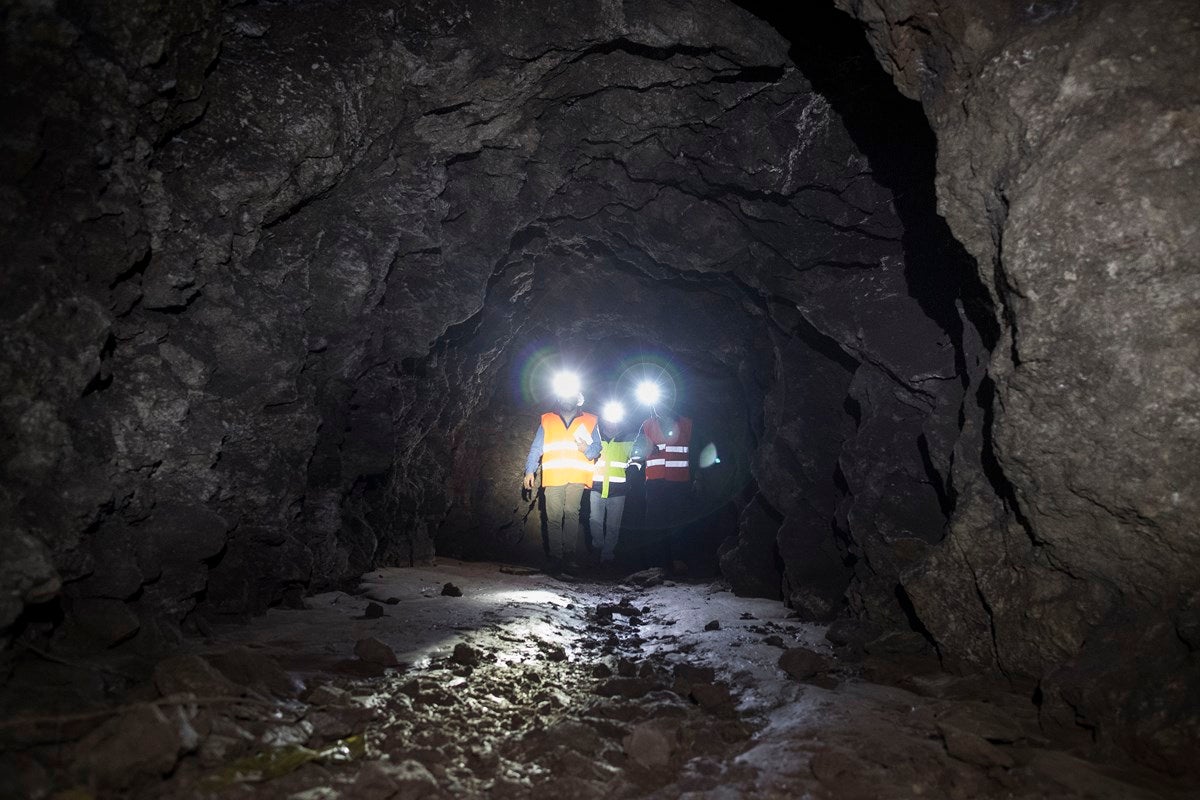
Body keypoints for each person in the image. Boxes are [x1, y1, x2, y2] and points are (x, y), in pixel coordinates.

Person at [523, 381, 601, 574]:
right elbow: (536, 448)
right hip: (554, 476)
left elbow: (597, 448)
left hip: (576, 475)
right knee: (554, 518)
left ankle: (569, 556)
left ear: (578, 399)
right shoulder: (547, 419)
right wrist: (529, 471)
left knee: (572, 514)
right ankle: (556, 558)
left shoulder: (591, 420)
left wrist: (587, 450)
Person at [632, 401, 695, 572]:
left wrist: (698, 478)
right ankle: (655, 564)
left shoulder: (687, 423)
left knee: (678, 522)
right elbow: (635, 451)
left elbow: (696, 451)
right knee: (654, 523)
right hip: (655, 483)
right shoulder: (647, 425)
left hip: (679, 482)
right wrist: (646, 449)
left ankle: (679, 560)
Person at [589, 402, 637, 568]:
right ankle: (598, 548)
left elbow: (636, 462)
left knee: (613, 526)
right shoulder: (595, 437)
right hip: (596, 487)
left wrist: (629, 481)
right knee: (594, 521)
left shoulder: (627, 439)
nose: (611, 422)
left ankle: (607, 557)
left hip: (618, 491)